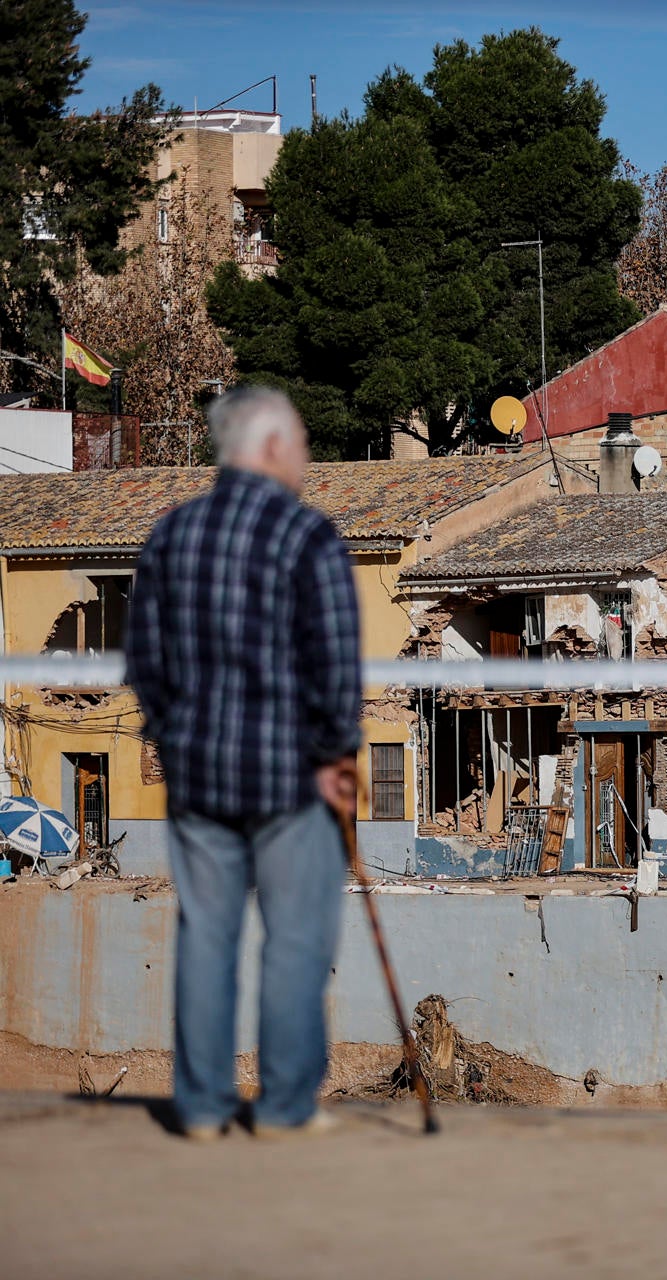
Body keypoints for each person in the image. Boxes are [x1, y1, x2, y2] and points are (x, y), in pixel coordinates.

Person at [126, 385, 362, 1141]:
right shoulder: (308, 537)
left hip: (197, 776)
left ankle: (199, 1108)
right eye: (298, 442)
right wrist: (335, 752)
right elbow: (334, 663)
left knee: (206, 936)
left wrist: (172, 733)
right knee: (296, 939)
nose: (305, 458)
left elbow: (146, 661)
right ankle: (286, 1106)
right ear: (267, 447)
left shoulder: (171, 535)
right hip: (290, 777)